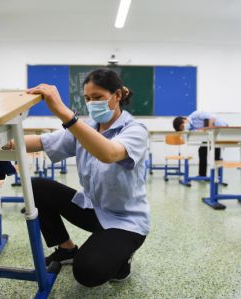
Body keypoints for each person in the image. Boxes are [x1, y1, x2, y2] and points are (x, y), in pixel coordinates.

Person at [10, 68, 149, 287]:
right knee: (36, 186)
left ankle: (123, 257)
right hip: (92, 210)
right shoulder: (86, 127)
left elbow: (109, 153)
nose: (92, 103)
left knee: (87, 273)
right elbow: (41, 141)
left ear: (118, 96)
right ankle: (66, 249)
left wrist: (65, 113)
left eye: (98, 98)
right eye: (87, 98)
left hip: (125, 221)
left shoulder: (135, 130)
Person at [172, 111, 228, 177]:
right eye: (182, 129)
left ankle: (217, 177)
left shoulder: (195, 115)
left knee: (215, 151)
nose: (184, 128)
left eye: (182, 127)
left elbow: (212, 118)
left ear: (184, 120)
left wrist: (208, 129)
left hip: (221, 129)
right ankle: (202, 175)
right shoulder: (190, 128)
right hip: (211, 135)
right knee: (202, 150)